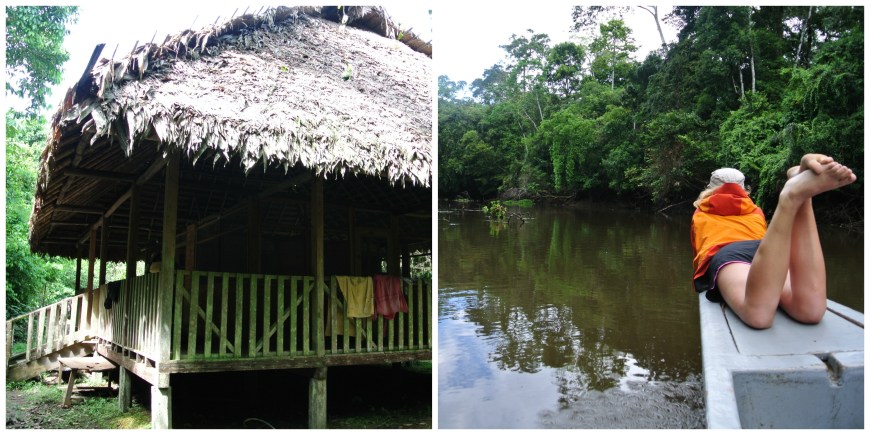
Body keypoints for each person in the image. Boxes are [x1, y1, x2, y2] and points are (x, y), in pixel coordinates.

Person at [691, 154, 856, 329]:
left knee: (758, 315)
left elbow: (700, 253)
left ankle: (790, 197)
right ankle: (802, 193)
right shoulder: (755, 211)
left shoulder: (700, 213)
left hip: (728, 255)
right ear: (743, 189)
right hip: (765, 251)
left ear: (710, 188)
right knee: (810, 310)